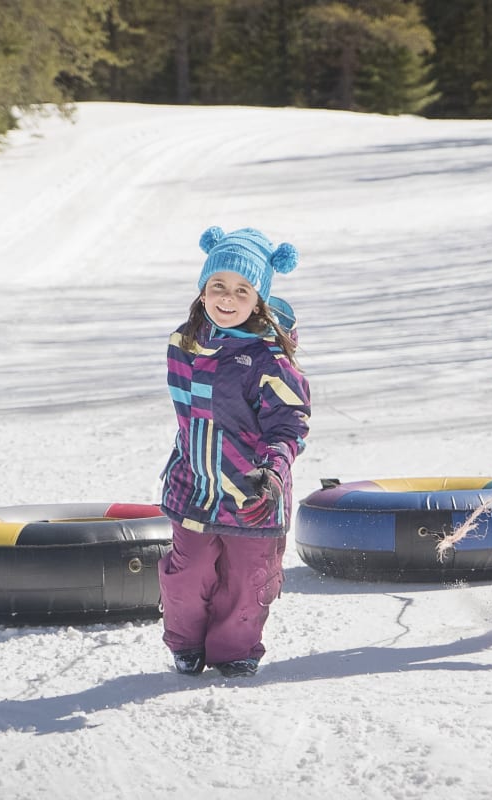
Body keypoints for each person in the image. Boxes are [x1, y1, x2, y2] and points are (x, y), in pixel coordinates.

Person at [158, 226, 311, 677]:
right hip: (194, 485)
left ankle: (234, 652)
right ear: (203, 289)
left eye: (242, 289)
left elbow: (289, 425)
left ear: (258, 298)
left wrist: (273, 470)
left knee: (247, 581)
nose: (228, 297)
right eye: (218, 286)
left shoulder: (270, 360)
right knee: (187, 573)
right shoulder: (182, 344)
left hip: (253, 491)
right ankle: (185, 644)